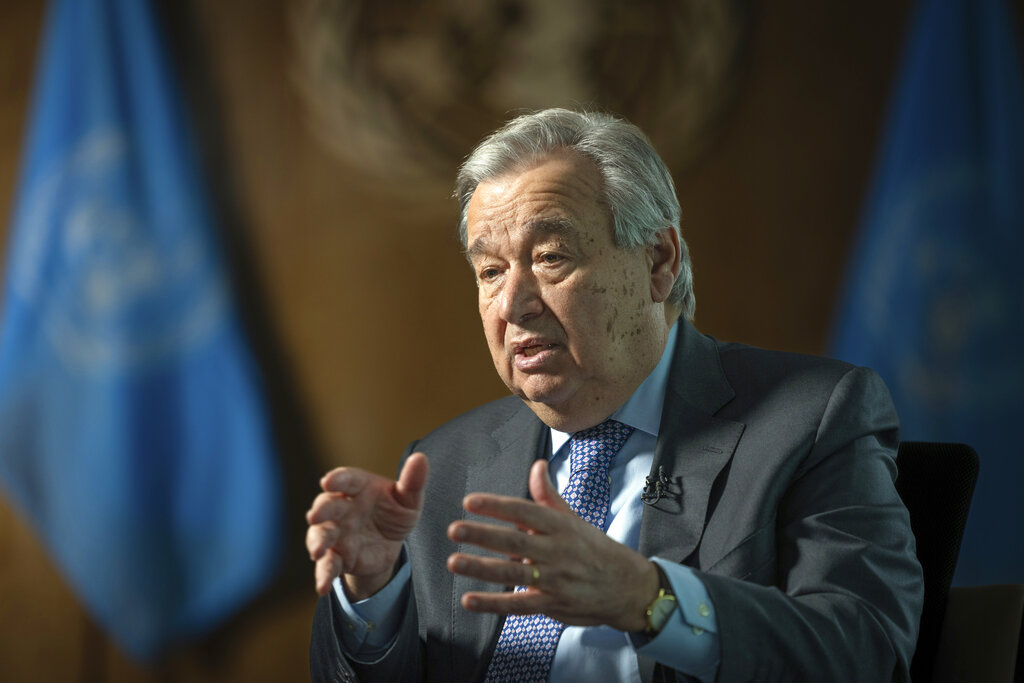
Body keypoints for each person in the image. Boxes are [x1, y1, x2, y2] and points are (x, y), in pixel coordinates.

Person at [306, 108, 923, 683]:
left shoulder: (809, 419)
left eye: (550, 257)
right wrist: (372, 588)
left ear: (658, 260)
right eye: (490, 271)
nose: (514, 304)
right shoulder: (441, 466)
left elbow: (865, 650)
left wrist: (645, 597)